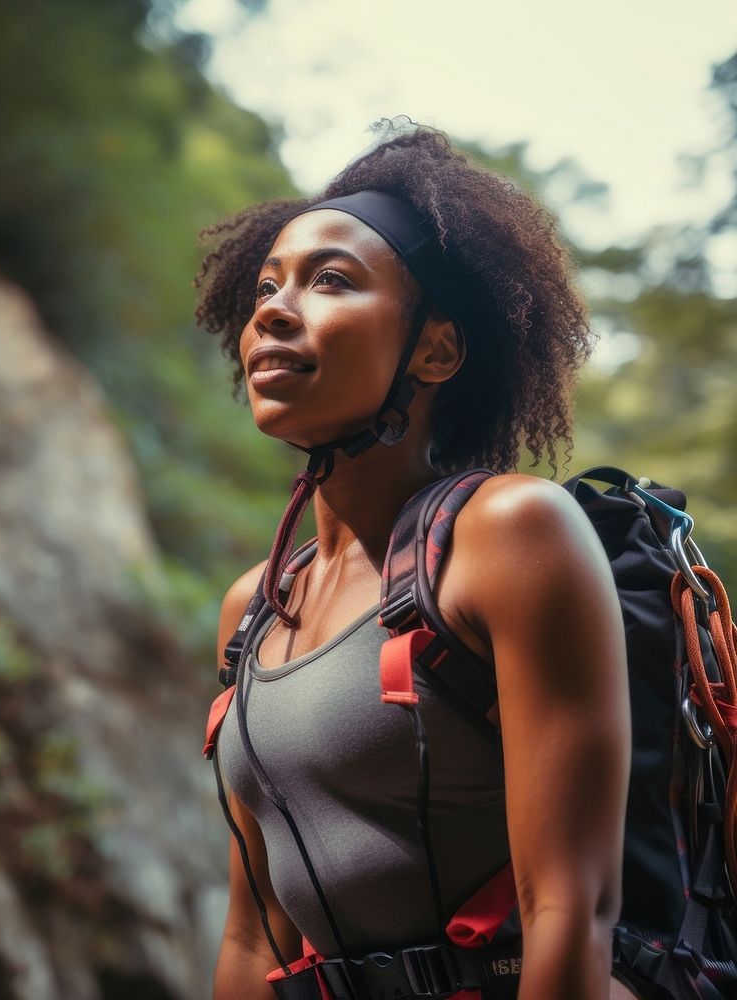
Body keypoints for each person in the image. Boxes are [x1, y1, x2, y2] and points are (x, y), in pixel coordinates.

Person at [195, 120, 638, 1000]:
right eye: (266, 287)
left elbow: (570, 911)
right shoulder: (254, 608)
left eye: (331, 282)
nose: (273, 311)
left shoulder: (512, 533)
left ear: (435, 349)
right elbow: (255, 942)